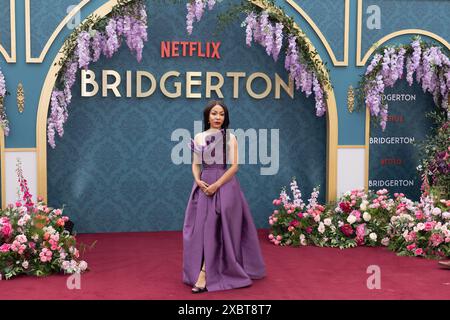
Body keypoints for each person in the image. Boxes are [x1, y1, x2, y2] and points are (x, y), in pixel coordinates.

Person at [182, 100, 266, 293]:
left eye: (221, 114)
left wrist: (217, 186)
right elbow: (195, 164)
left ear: (225, 117)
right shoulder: (200, 136)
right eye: (214, 113)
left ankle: (205, 274)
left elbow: (234, 166)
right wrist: (198, 180)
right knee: (200, 231)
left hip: (225, 186)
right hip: (203, 187)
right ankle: (203, 270)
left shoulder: (230, 138)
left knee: (217, 229)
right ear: (207, 116)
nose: (217, 117)